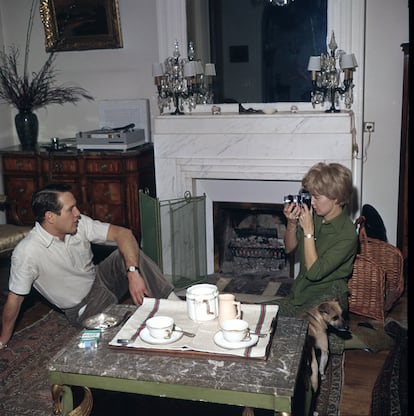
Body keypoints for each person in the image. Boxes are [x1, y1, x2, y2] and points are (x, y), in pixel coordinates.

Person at [0, 183, 179, 350]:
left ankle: (178, 307)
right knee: (128, 333)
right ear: (50, 217)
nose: (77, 213)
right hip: (84, 308)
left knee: (128, 254)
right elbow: (14, 300)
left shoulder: (78, 223)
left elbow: (123, 234)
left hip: (100, 280)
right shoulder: (27, 253)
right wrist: (3, 339)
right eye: (71, 209)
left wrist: (133, 272)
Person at [278, 162, 358, 326]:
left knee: (282, 327)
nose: (311, 202)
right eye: (310, 195)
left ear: (336, 197)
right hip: (301, 293)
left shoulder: (347, 235)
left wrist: (308, 231)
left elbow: (314, 273)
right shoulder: (314, 216)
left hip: (327, 300)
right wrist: (291, 223)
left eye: (317, 197)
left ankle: (346, 339)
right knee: (261, 315)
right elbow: (289, 248)